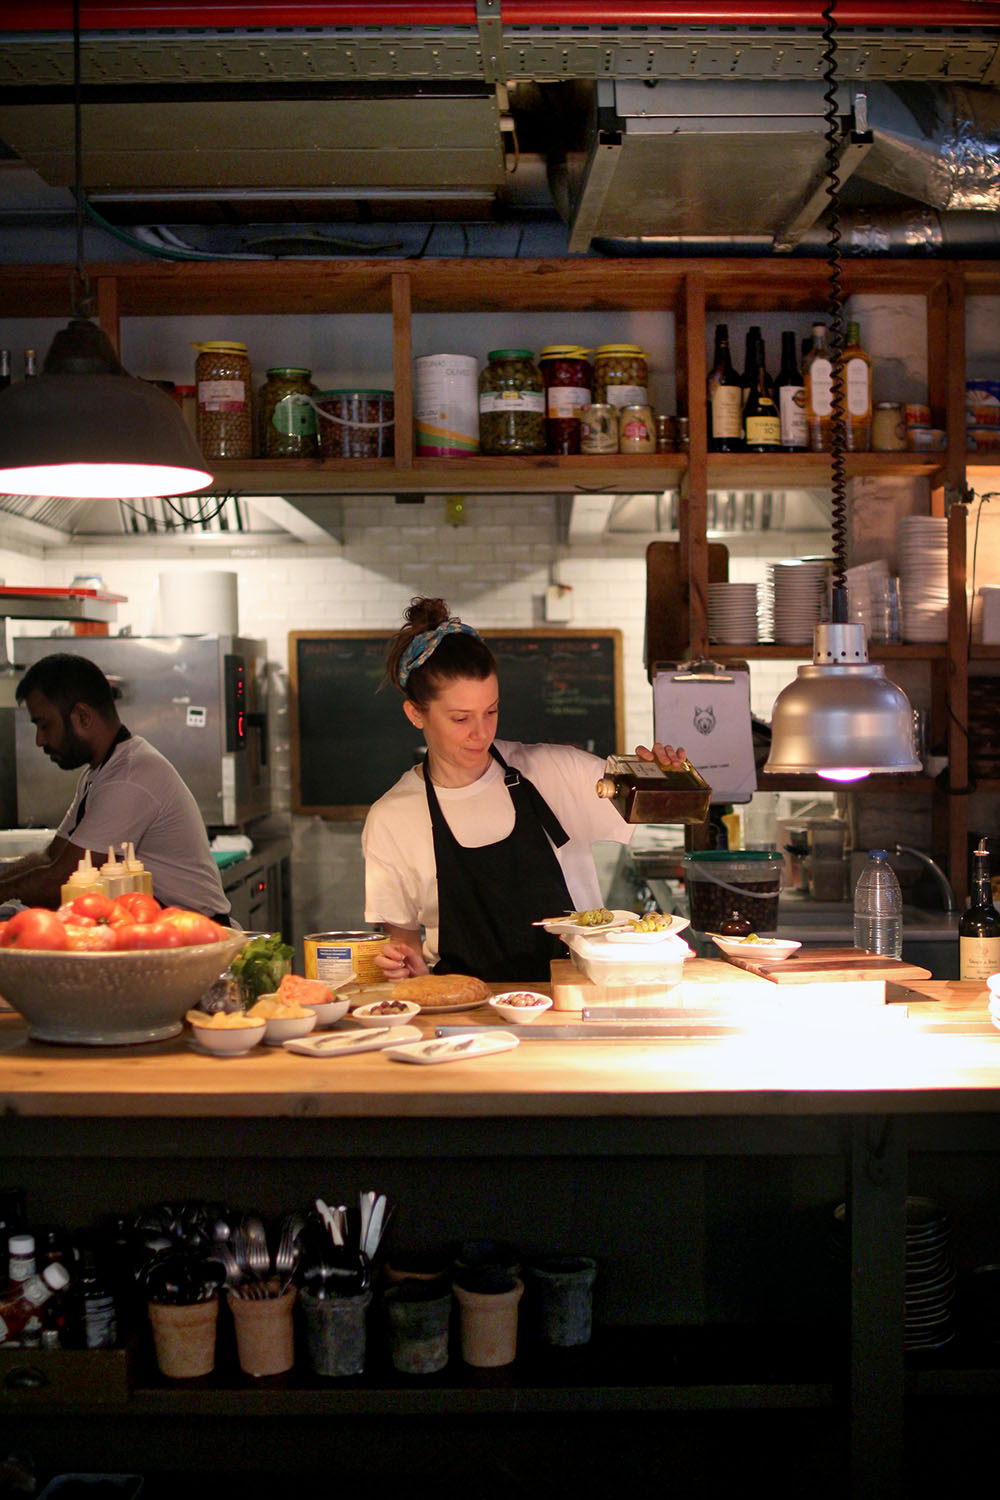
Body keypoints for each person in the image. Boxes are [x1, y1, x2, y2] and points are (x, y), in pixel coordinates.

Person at [362, 597, 686, 983]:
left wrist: (668, 777)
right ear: (415, 713)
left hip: (575, 1003)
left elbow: (669, 809)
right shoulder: (392, 818)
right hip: (465, 1020)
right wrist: (406, 969)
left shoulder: (555, 772)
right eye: (460, 718)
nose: (480, 733)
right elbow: (405, 949)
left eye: (491, 711)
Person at [0, 652, 231, 921]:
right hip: (153, 930)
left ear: (83, 716)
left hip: (191, 937)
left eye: (44, 725)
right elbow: (50, 858)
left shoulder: (131, 776)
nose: (40, 740)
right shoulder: (101, 773)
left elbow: (59, 881)